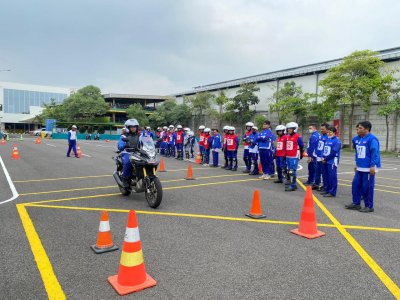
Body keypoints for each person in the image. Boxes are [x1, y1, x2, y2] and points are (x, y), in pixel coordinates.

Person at [346, 121, 381, 213]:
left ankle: (369, 206)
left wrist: (372, 166)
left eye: (360, 128)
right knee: (355, 184)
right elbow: (358, 153)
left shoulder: (372, 139)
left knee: (367, 187)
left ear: (367, 129)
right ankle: (356, 203)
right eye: (358, 128)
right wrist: (357, 164)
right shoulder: (358, 139)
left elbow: (375, 153)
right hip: (360, 167)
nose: (358, 130)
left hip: (369, 167)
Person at [117, 119, 141, 187]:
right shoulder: (123, 136)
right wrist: (125, 145)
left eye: (135, 127)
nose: (133, 128)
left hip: (137, 153)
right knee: (128, 162)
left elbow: (145, 142)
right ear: (127, 128)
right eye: (131, 127)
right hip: (127, 152)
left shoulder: (139, 136)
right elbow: (120, 147)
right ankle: (125, 178)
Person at [321, 126, 341, 197]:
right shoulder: (327, 140)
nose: (329, 134)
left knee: (332, 177)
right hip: (325, 160)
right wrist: (322, 157)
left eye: (330, 132)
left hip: (332, 161)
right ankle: (327, 189)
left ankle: (332, 192)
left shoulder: (337, 141)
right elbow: (324, 150)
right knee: (326, 176)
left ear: (334, 133)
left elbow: (333, 153)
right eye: (328, 132)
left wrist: (325, 159)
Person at [285, 122, 304, 191]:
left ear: (294, 129)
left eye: (290, 129)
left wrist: (301, 154)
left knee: (292, 171)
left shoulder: (297, 137)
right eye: (288, 129)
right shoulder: (288, 136)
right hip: (288, 155)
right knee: (289, 170)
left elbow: (301, 146)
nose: (288, 130)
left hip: (294, 156)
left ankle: (293, 185)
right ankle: (292, 183)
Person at [313, 123, 329, 191]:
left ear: (327, 129)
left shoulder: (328, 138)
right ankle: (316, 184)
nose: (321, 130)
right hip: (318, 156)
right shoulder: (320, 136)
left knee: (324, 173)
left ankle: (325, 186)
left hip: (323, 158)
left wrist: (324, 157)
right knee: (317, 171)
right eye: (321, 129)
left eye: (323, 129)